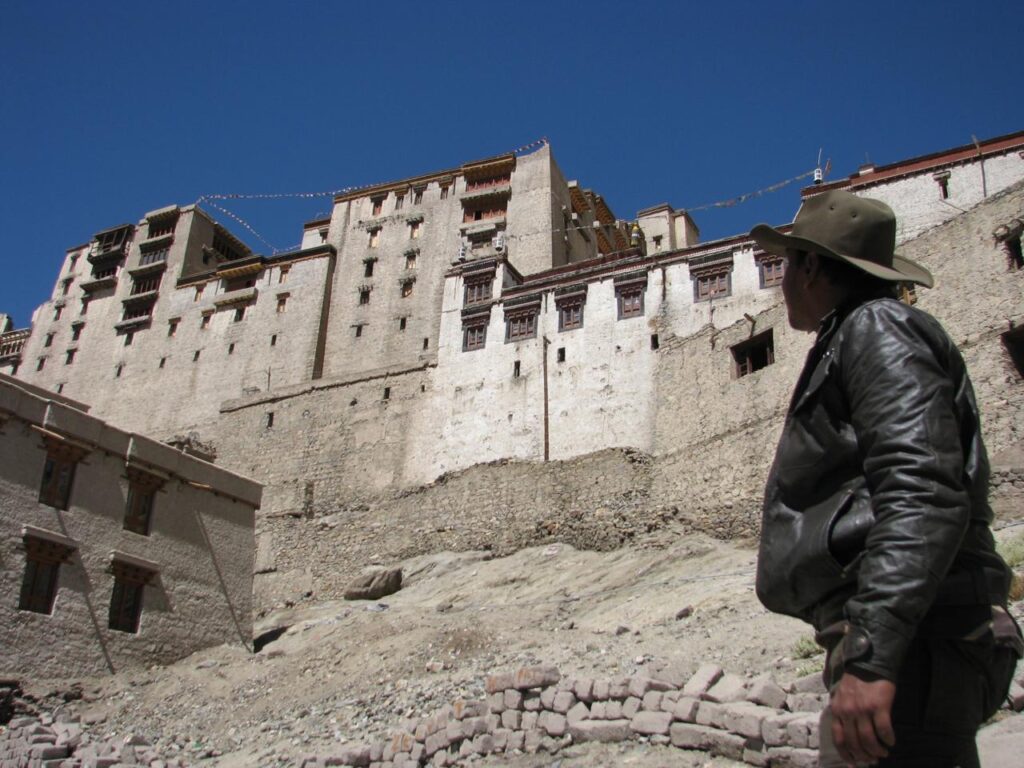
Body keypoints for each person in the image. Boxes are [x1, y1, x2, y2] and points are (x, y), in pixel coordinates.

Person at [750, 190, 1022, 767]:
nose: (781, 283)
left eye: (787, 265)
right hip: (907, 643)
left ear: (813, 266)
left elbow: (921, 489)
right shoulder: (858, 333)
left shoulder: (876, 328)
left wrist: (873, 657)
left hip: (914, 648)